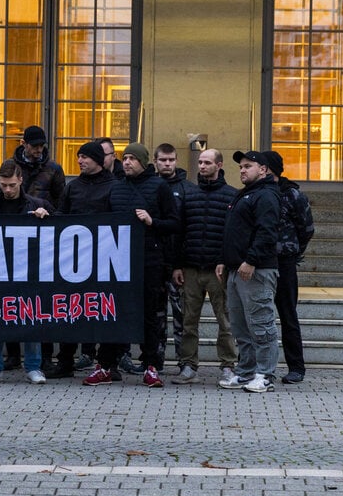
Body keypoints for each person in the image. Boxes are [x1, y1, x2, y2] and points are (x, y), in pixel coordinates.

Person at [84, 143, 178, 388]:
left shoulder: (159, 187)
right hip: (118, 263)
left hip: (150, 261)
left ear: (144, 162)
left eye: (132, 159)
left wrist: (151, 221)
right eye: (124, 158)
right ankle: (106, 365)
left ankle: (151, 366)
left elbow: (174, 223)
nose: (126, 162)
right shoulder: (116, 189)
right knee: (113, 312)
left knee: (149, 315)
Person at [0, 160, 53, 384]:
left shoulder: (36, 204)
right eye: (4, 185)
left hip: (28, 272)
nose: (7, 190)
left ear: (21, 181)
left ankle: (33, 367)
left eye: (11, 185)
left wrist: (47, 215)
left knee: (31, 316)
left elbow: (58, 230)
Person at [170, 149, 238, 385]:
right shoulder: (189, 194)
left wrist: (224, 261)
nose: (202, 166)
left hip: (218, 270)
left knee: (225, 322)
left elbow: (232, 235)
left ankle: (228, 366)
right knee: (189, 320)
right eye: (200, 162)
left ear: (219, 165)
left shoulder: (232, 195)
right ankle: (189, 366)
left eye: (207, 162)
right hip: (190, 267)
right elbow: (179, 232)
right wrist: (177, 265)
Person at [50, 141, 116, 379]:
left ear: (97, 160)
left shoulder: (114, 187)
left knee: (105, 312)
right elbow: (61, 215)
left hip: (105, 261)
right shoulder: (73, 187)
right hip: (75, 262)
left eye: (84, 157)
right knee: (70, 310)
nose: (79, 161)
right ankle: (65, 361)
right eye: (78, 157)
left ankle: (107, 363)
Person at [217, 150, 281, 394]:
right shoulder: (246, 194)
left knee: (261, 324)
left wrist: (251, 260)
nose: (242, 170)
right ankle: (245, 373)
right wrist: (225, 260)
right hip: (237, 269)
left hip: (256, 270)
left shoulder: (266, 195)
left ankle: (265, 375)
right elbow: (235, 232)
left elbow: (267, 232)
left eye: (248, 166)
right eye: (241, 167)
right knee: (241, 326)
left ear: (263, 169)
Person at [7, 125, 66, 370]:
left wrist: (49, 214)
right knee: (10, 297)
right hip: (14, 238)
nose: (38, 150)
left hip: (42, 239)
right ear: (24, 143)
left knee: (44, 299)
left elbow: (61, 202)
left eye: (41, 146)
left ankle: (44, 356)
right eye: (34, 146)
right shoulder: (12, 166)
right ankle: (12, 353)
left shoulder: (53, 169)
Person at [263, 151, 314, 385]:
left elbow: (306, 228)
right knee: (257, 316)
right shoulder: (257, 192)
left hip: (284, 262)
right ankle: (255, 364)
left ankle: (296, 367)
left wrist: (292, 250)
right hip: (260, 262)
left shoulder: (292, 194)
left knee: (287, 315)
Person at [154, 142, 187, 370]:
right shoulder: (150, 186)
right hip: (155, 262)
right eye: (163, 160)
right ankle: (155, 361)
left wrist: (180, 264)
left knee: (181, 316)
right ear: (155, 161)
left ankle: (183, 361)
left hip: (177, 263)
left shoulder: (187, 189)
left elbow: (187, 230)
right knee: (156, 317)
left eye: (171, 160)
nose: (167, 164)